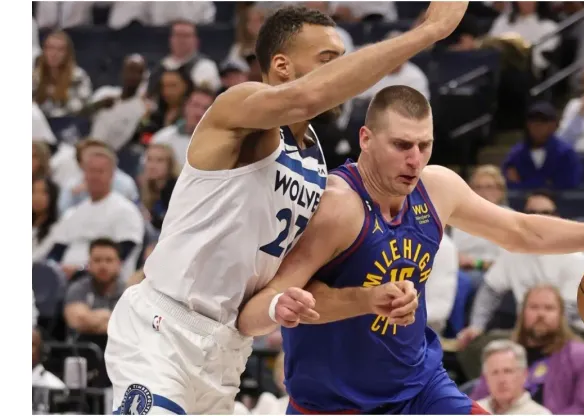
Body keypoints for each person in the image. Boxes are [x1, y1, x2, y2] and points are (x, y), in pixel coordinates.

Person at [104, 3, 470, 415]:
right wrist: (428, 32)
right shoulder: (240, 107)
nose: (340, 73)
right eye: (328, 60)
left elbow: (270, 279)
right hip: (164, 327)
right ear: (281, 65)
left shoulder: (315, 157)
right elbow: (307, 96)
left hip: (227, 346)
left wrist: (282, 304)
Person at [237, 86, 584, 414]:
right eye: (402, 145)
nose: (415, 159)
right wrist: (367, 299)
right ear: (366, 138)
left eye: (424, 145)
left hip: (420, 388)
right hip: (333, 404)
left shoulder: (436, 187)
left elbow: (520, 231)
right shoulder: (337, 207)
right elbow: (257, 314)